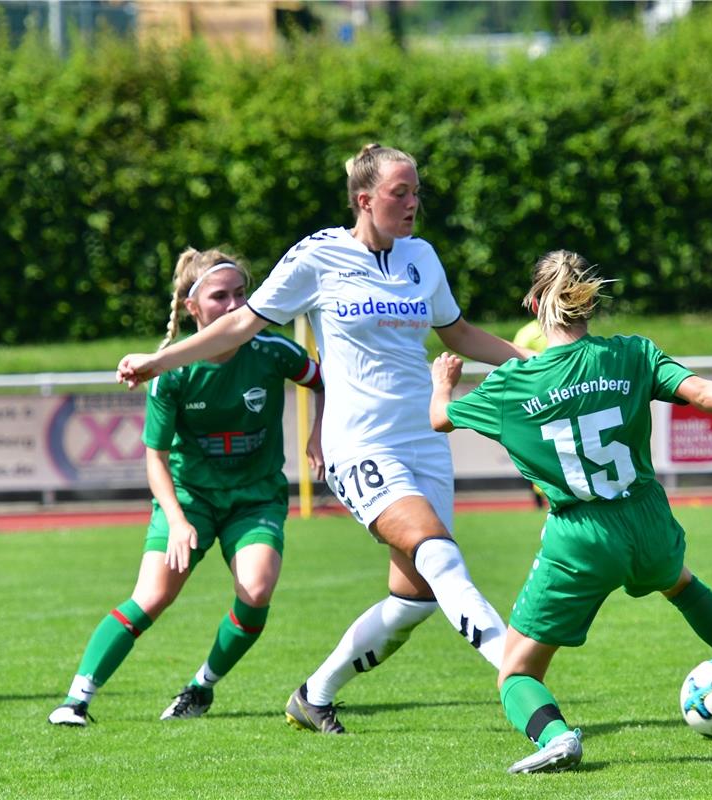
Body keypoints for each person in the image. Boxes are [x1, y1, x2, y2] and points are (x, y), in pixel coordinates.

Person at [118, 144, 531, 734]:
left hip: (425, 443)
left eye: (417, 192)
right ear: (364, 200)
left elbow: (459, 332)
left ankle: (314, 694)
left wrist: (538, 362)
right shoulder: (319, 256)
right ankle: (525, 688)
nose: (414, 203)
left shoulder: (422, 258)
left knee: (414, 598)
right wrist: (160, 362)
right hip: (358, 446)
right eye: (400, 193)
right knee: (440, 556)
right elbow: (240, 323)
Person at [430, 249, 712, 774]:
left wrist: (443, 383)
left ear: (532, 304)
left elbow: (440, 420)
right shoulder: (631, 355)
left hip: (581, 536)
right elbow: (702, 392)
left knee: (516, 671)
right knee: (682, 584)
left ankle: (554, 737)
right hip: (646, 518)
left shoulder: (510, 387)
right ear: (589, 304)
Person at [49, 247, 326, 726]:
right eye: (221, 296)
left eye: (242, 293)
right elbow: (154, 458)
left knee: (256, 590)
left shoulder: (271, 351)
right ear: (192, 307)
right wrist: (176, 521)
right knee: (153, 596)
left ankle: (201, 689)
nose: (236, 305)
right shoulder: (172, 373)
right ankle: (76, 701)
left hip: (254, 496)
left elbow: (323, 382)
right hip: (190, 497)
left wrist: (317, 434)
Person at [512, 319, 549, 509]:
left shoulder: (526, 332)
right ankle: (539, 495)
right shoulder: (529, 332)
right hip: (555, 400)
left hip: (538, 402)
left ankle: (539, 494)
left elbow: (515, 367)